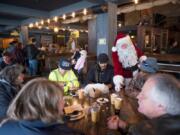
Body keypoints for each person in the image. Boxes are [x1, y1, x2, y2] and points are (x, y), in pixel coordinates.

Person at [0, 78, 84, 135]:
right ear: (48, 106)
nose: (64, 102)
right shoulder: (63, 132)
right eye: (61, 99)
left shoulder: (5, 125)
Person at [107, 73, 180, 135]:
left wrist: (113, 131)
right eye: (141, 91)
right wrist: (124, 125)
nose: (138, 96)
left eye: (144, 95)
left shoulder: (148, 130)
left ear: (160, 105)